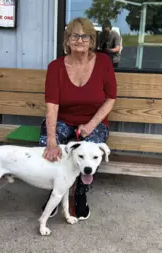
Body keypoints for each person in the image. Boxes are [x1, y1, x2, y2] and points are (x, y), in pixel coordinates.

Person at [39, 17, 117, 220]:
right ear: (67, 40)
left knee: (90, 150)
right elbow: (52, 106)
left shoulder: (103, 62)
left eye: (85, 36)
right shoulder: (55, 67)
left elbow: (110, 99)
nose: (80, 40)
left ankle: (80, 194)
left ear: (92, 40)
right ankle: (55, 191)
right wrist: (51, 140)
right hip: (63, 119)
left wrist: (90, 126)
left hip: (94, 122)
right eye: (74, 35)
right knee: (50, 149)